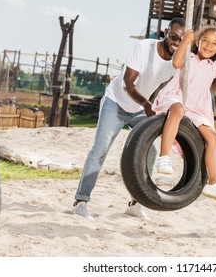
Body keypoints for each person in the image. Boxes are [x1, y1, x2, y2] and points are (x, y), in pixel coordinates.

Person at [72, 18, 186, 220]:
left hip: (141, 108)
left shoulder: (176, 64)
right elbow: (128, 83)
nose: (176, 43)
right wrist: (146, 105)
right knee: (100, 149)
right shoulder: (144, 47)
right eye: (174, 37)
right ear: (167, 32)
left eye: (181, 40)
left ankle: (135, 203)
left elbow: (161, 88)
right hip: (115, 102)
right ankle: (80, 202)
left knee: (150, 150)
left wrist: (154, 106)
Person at [152, 20, 216, 204]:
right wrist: (185, 41)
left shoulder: (213, 67)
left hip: (196, 109)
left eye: (214, 44)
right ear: (198, 42)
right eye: (205, 40)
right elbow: (176, 63)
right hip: (176, 99)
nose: (209, 45)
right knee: (177, 109)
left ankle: (213, 182)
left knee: (214, 137)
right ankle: (164, 156)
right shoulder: (187, 58)